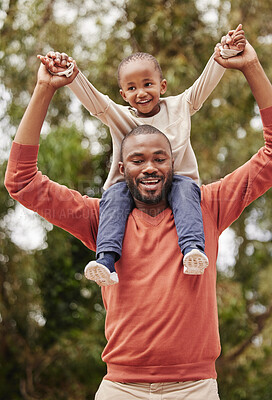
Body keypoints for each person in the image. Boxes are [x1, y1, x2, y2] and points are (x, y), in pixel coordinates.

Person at [4, 39, 272, 399]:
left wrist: (251, 67)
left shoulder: (207, 207)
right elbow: (21, 181)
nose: (149, 167)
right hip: (120, 387)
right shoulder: (100, 219)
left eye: (160, 158)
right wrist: (42, 90)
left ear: (174, 165)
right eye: (138, 160)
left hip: (194, 387)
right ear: (121, 168)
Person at [37, 25, 246, 286]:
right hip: (130, 188)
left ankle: (192, 249)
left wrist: (224, 54)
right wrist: (71, 73)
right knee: (113, 197)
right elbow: (95, 101)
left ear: (163, 85)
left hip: (178, 182)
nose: (142, 93)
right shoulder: (121, 116)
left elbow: (203, 84)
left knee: (185, 190)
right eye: (132, 88)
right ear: (124, 94)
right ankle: (105, 259)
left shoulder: (180, 106)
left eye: (148, 84)